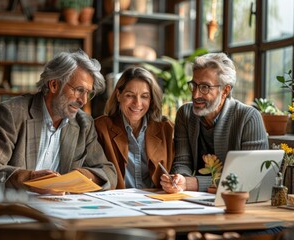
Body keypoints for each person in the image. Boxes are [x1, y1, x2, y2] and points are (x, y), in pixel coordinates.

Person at [0, 50, 117, 194]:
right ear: (54, 85)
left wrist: (81, 177)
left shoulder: (84, 124)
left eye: (88, 93)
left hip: (61, 208)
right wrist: (28, 179)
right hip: (17, 206)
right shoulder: (11, 113)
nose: (83, 100)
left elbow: (109, 173)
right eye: (79, 90)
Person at [160, 52, 269, 193]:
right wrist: (179, 180)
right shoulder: (185, 114)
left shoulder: (248, 118)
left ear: (225, 90)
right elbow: (182, 162)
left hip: (237, 202)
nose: (195, 95)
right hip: (195, 201)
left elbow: (252, 177)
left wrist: (194, 183)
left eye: (205, 87)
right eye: (194, 85)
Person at [95, 66, 174, 189]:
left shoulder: (166, 129)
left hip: (156, 202)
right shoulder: (101, 128)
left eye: (144, 96)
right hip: (117, 202)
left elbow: (178, 171)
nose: (137, 103)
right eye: (130, 95)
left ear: (151, 99)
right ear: (118, 95)